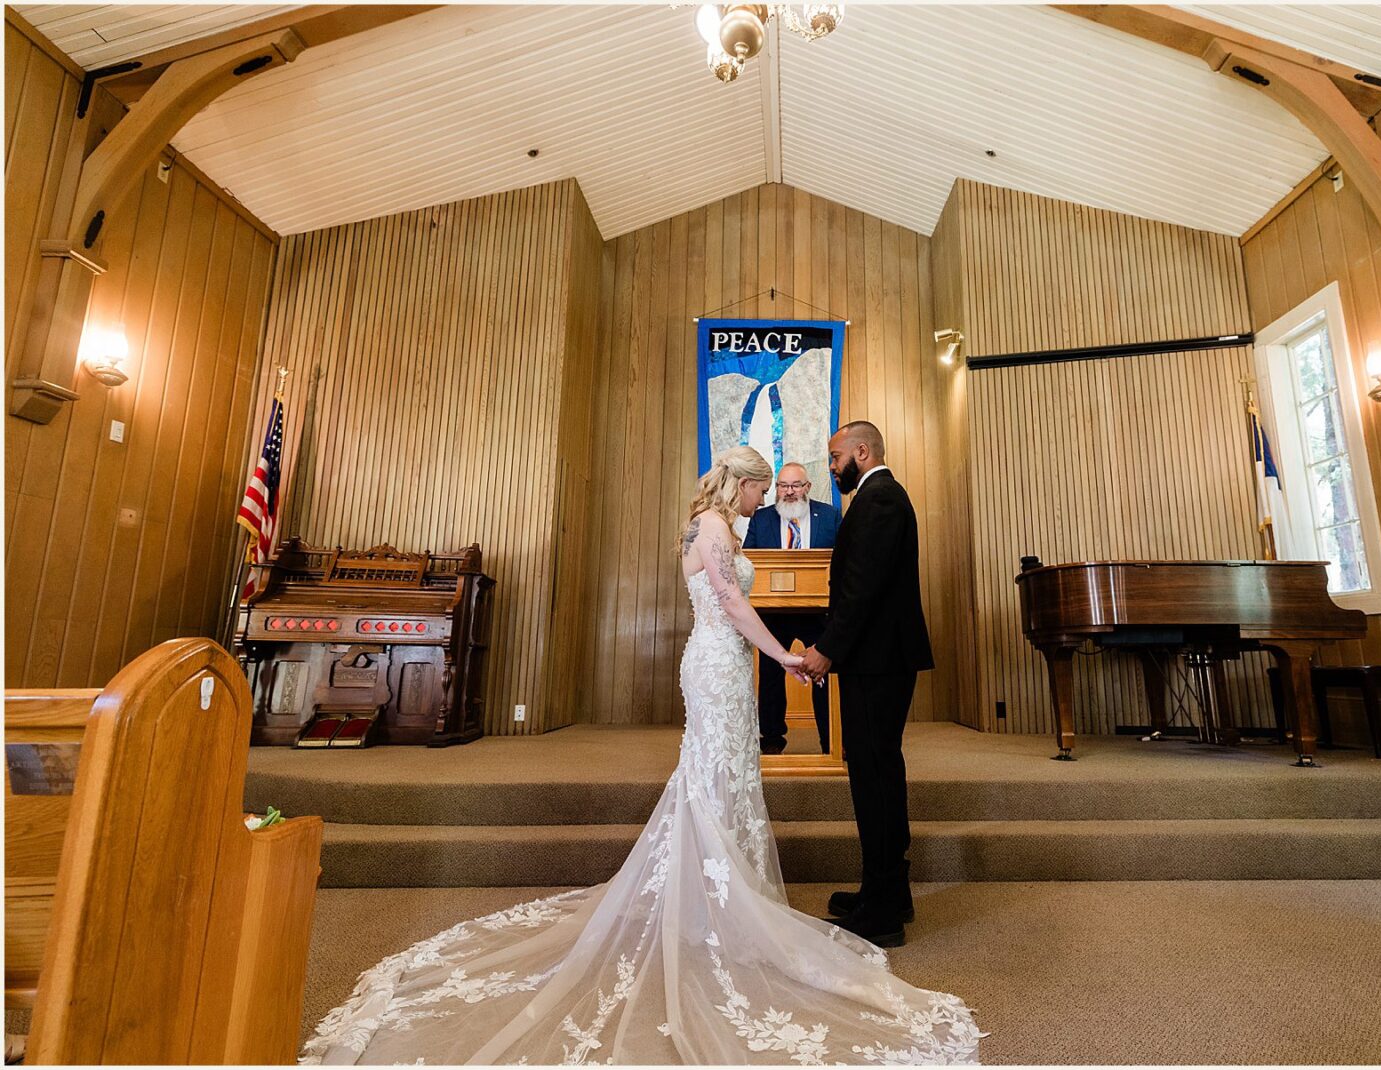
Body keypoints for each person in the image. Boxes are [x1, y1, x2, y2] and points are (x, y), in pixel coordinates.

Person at [301, 446, 979, 1065]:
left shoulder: (712, 526)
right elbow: (733, 606)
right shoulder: (713, 530)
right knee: (714, 776)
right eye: (759, 491)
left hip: (723, 662)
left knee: (723, 775)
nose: (761, 503)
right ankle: (716, 907)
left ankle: (723, 897)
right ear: (739, 484)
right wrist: (787, 657)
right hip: (719, 663)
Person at [800, 422, 933, 951]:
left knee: (873, 774)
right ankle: (888, 890)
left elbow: (861, 590)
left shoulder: (878, 499)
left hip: (877, 660)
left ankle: (881, 911)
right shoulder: (879, 496)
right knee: (879, 767)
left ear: (862, 451)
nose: (831, 468)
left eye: (835, 458)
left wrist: (826, 648)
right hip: (879, 658)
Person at [742, 462, 840, 754]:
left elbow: (841, 559)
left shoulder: (831, 516)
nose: (789, 492)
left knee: (823, 673)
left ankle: (830, 740)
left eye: (796, 485)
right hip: (774, 613)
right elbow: (750, 562)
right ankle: (771, 741)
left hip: (817, 612)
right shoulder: (761, 519)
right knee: (771, 676)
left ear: (808, 487)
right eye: (783, 486)